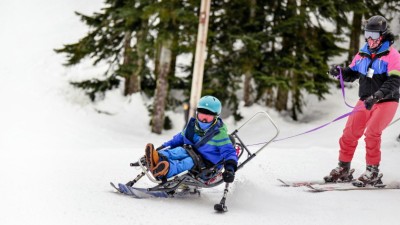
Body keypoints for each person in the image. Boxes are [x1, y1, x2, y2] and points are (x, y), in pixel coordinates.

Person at [325, 15, 400, 187]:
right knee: (349, 133)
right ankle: (343, 169)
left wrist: (378, 95)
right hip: (365, 100)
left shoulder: (393, 55)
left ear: (382, 35)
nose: (370, 39)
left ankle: (372, 171)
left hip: (386, 101)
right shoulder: (362, 53)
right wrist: (340, 72)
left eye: (374, 35)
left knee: (372, 133)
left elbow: (395, 81)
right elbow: (353, 73)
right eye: (367, 34)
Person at [144, 95, 238, 183]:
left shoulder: (219, 134)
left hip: (205, 167)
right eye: (201, 116)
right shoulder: (193, 126)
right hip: (190, 151)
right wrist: (162, 147)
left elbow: (229, 152)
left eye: (208, 117)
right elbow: (178, 139)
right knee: (178, 151)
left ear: (215, 117)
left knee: (188, 162)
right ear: (197, 113)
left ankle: (166, 170)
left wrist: (230, 169)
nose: (203, 120)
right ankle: (156, 158)